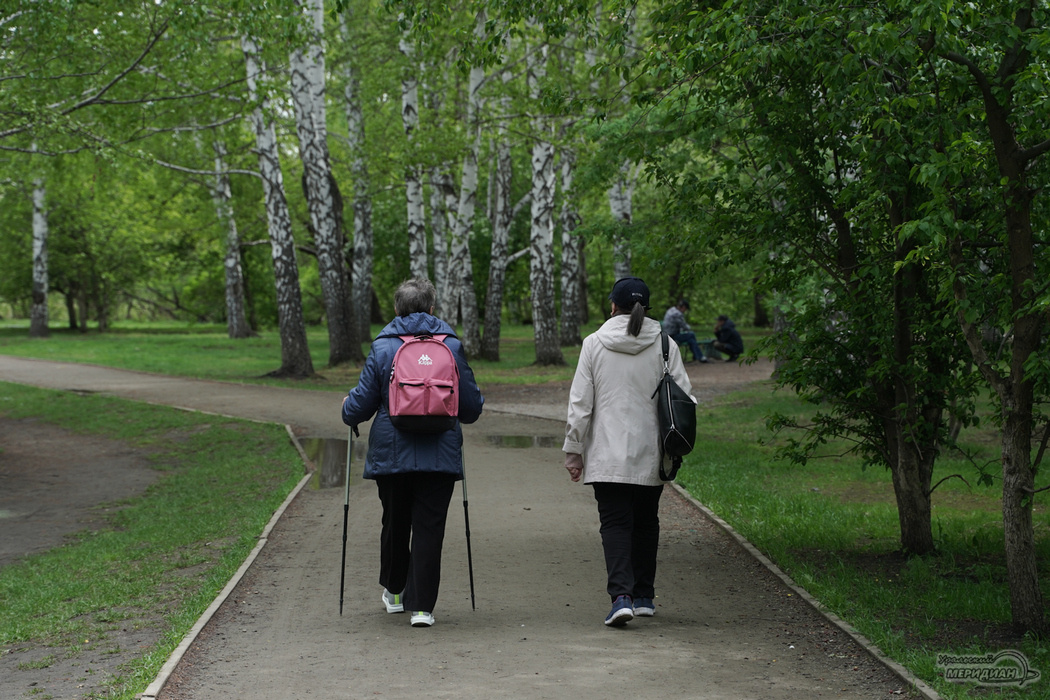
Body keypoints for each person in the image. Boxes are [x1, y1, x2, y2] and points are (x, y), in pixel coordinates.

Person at [341, 278, 484, 628]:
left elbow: (360, 405)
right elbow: (469, 409)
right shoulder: (451, 345)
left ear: (396, 309)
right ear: (433, 309)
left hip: (392, 452)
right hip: (440, 452)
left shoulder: (383, 346)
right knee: (429, 527)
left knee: (395, 521)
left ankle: (394, 591)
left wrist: (347, 408)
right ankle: (422, 608)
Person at [563, 277, 697, 627]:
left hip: (607, 453)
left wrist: (574, 450)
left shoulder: (593, 343)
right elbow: (685, 400)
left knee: (615, 524)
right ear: (646, 307)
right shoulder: (665, 344)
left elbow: (581, 403)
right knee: (646, 523)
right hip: (651, 452)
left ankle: (620, 597)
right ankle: (644, 596)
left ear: (612, 306)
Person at [662, 299, 707, 363]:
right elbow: (684, 326)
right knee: (691, 334)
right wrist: (689, 328)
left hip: (668, 334)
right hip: (672, 336)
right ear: (683, 307)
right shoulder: (677, 314)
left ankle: (698, 357)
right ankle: (699, 357)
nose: (685, 311)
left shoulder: (671, 310)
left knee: (691, 340)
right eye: (685, 309)